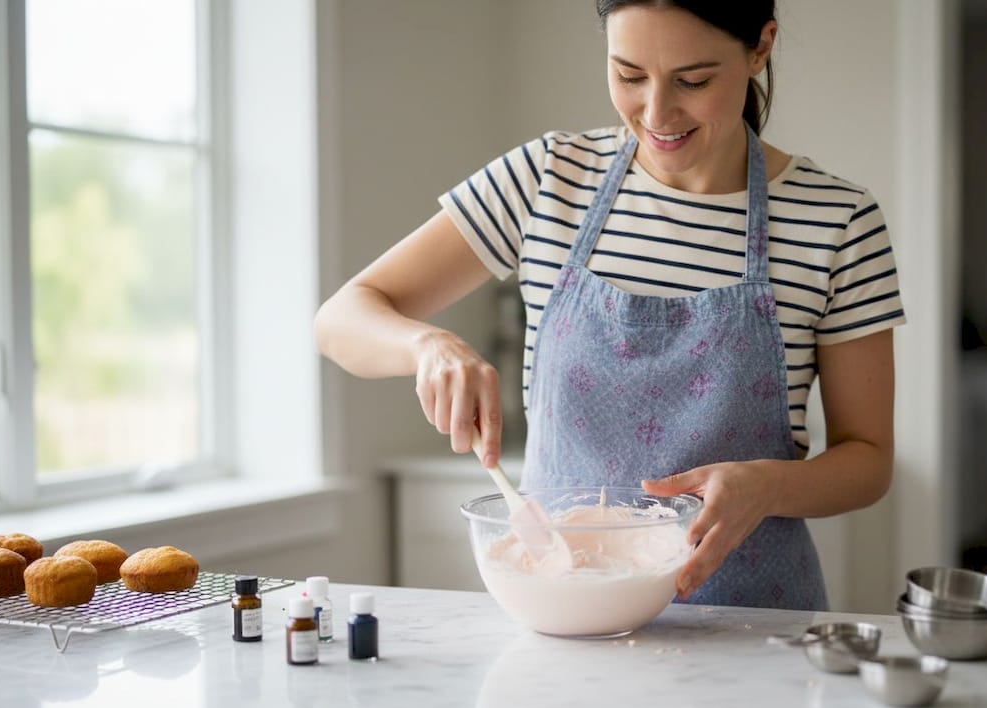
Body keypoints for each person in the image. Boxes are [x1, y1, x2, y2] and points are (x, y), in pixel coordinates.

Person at [315, 0, 904, 610]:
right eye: (628, 75)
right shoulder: (548, 179)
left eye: (693, 81)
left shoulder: (837, 221)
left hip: (751, 627)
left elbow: (868, 460)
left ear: (760, 47)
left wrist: (769, 485)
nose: (656, 112)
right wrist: (426, 346)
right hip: (566, 622)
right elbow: (340, 319)